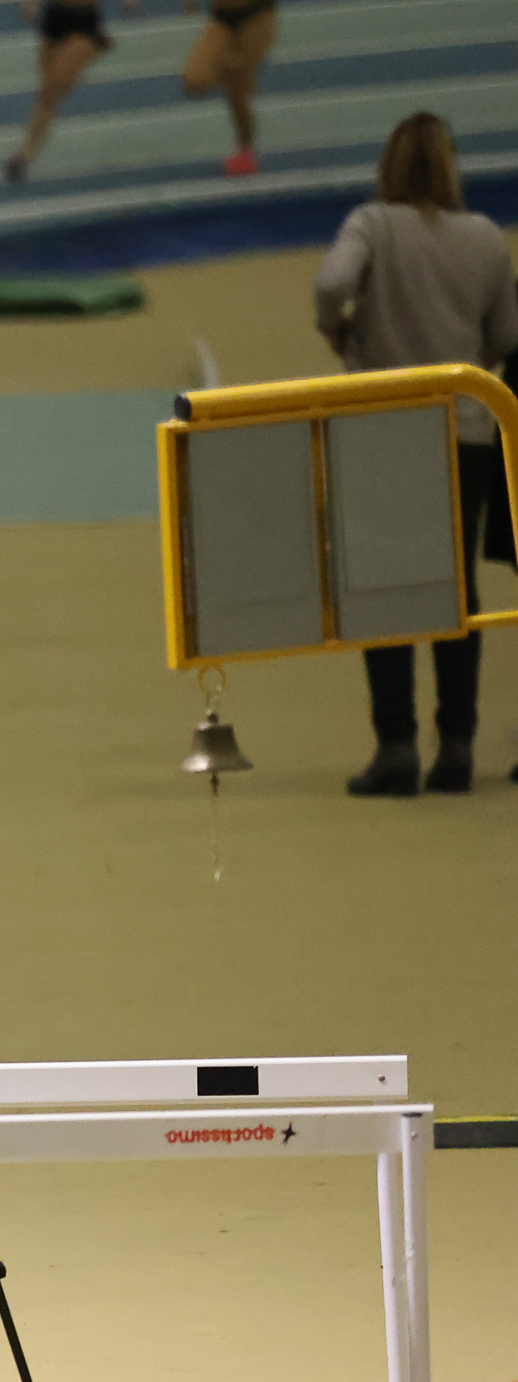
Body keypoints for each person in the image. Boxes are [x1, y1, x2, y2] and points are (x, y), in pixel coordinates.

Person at [314, 113, 518, 796]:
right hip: (464, 432)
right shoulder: (484, 236)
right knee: (456, 590)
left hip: (381, 431)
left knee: (383, 588)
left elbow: (330, 283)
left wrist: (337, 328)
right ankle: (456, 743)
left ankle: (396, 745)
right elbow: (508, 333)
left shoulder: (372, 224)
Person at [3, 0, 135, 183]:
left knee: (52, 90)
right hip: (53, 19)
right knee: (46, 97)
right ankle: (24, 157)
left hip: (84, 25)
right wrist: (31, 4)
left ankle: (23, 155)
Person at [181, 0, 275, 177]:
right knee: (194, 80)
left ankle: (245, 149)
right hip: (222, 19)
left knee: (238, 92)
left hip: (257, 17)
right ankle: (231, 74)